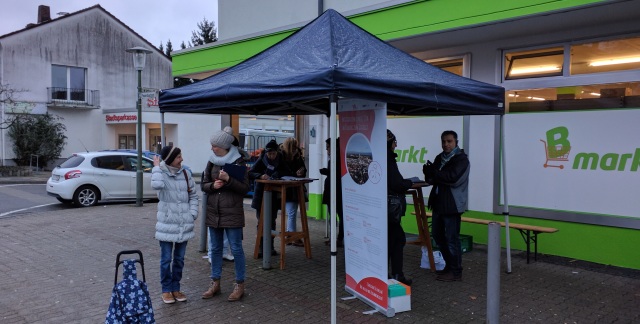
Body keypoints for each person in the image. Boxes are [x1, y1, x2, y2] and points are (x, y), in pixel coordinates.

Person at [201, 126, 250, 302]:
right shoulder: (211, 161)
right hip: (214, 211)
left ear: (224, 146)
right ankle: (215, 282)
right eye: (212, 145)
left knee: (236, 248)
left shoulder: (238, 163)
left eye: (214, 145)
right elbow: (204, 184)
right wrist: (212, 186)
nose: (212, 148)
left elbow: (245, 188)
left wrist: (229, 180)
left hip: (232, 212)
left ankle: (239, 284)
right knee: (214, 248)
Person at [151, 146, 199, 304]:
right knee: (166, 260)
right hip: (166, 224)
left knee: (179, 259)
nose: (182, 159)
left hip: (183, 224)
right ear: (171, 159)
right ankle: (166, 290)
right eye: (179, 157)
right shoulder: (161, 174)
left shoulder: (185, 173)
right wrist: (157, 167)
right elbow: (156, 186)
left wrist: (192, 214)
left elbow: (193, 195)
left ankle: (176, 288)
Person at [423, 130, 470, 282]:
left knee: (452, 239)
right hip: (438, 203)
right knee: (437, 236)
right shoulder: (439, 157)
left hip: (452, 205)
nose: (446, 144)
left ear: (456, 142)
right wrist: (429, 173)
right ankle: (449, 266)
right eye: (443, 141)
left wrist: (435, 173)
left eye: (449, 141)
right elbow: (432, 179)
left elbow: (452, 178)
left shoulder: (462, 160)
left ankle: (456, 272)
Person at [248, 139, 292, 257]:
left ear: (277, 152)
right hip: (261, 194)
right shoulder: (261, 159)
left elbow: (287, 172)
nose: (271, 156)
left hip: (274, 195)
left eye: (273, 154)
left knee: (272, 221)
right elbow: (251, 173)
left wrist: (277, 175)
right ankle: (261, 248)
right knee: (261, 221)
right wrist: (261, 175)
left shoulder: (280, 160)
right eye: (269, 154)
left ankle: (270, 247)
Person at [386, 130, 413, 286]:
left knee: (394, 239)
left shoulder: (379, 157)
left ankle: (394, 274)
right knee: (397, 239)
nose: (396, 145)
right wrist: (408, 183)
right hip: (389, 210)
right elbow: (396, 183)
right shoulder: (389, 159)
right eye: (394, 142)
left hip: (382, 208)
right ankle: (396, 275)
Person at [280, 137, 307, 247]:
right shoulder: (285, 156)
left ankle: (290, 234)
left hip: (289, 187)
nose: (296, 148)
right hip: (291, 187)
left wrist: (302, 172)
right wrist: (299, 173)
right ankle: (291, 236)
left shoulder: (294, 155)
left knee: (291, 212)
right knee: (292, 212)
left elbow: (303, 169)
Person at [320, 137, 344, 247]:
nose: (327, 150)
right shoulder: (335, 158)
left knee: (337, 216)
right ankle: (336, 238)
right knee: (336, 216)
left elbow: (336, 174)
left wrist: (327, 172)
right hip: (333, 191)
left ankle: (337, 238)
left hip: (335, 192)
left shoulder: (336, 158)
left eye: (328, 147)